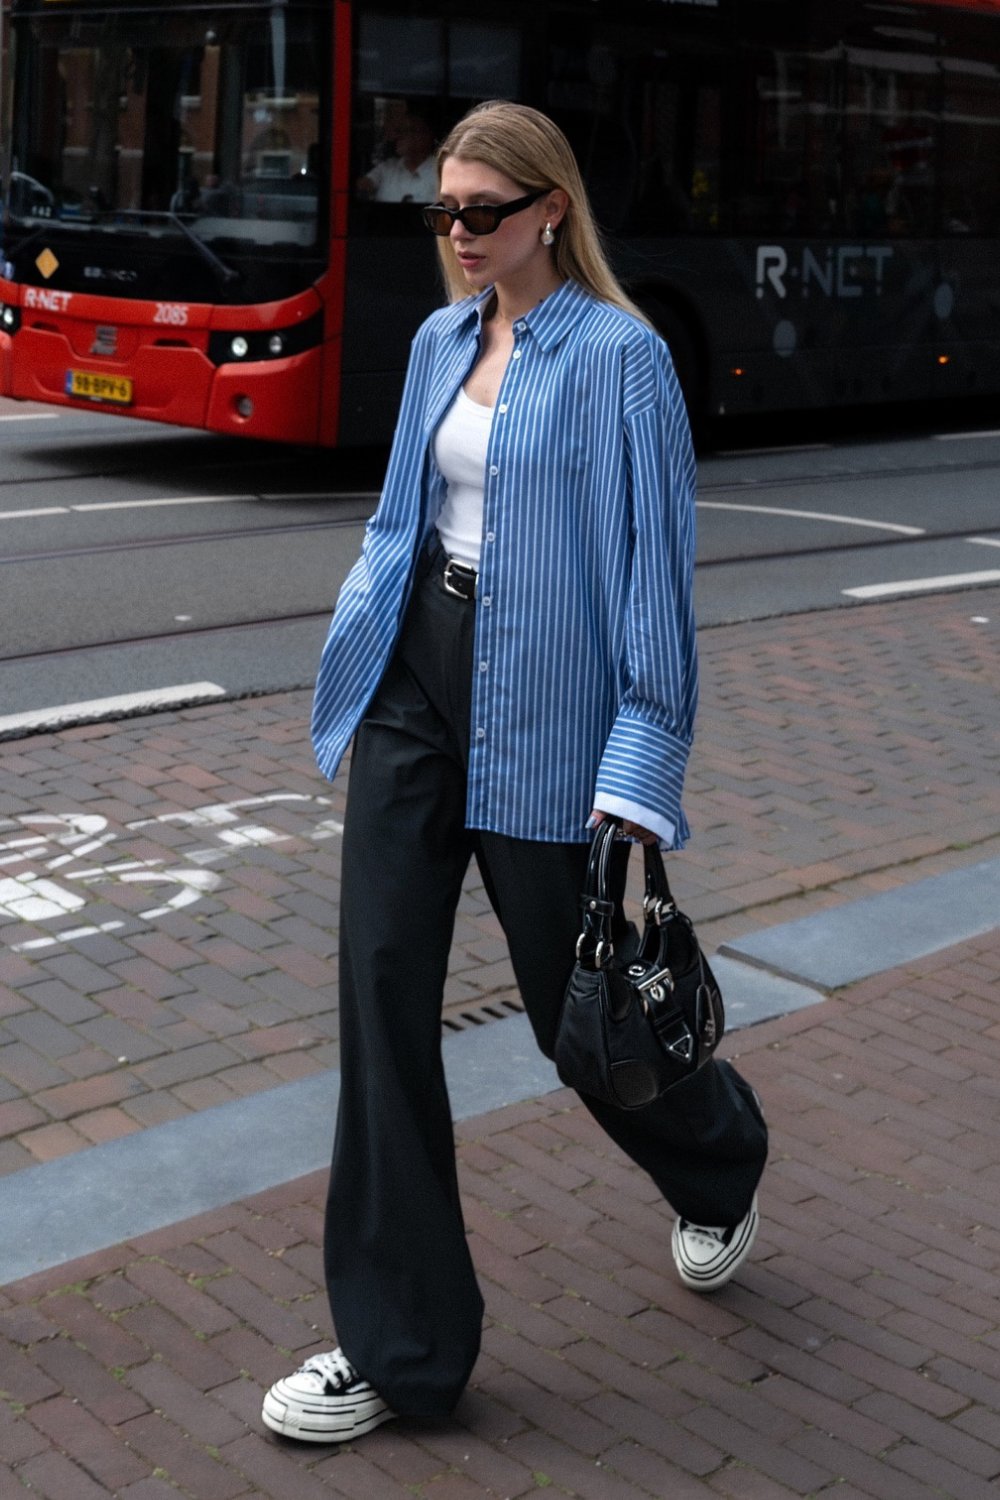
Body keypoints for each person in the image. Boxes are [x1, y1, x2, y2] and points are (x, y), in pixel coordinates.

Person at [262, 99, 767, 1444]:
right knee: (380, 996)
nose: (460, 235)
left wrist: (638, 771)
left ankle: (720, 1156)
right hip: (418, 689)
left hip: (551, 716)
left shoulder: (624, 360)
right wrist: (353, 653)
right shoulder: (437, 340)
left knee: (576, 1023)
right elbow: (396, 522)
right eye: (444, 213)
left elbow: (656, 583)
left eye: (483, 211)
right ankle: (402, 1347)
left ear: (551, 208)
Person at [356, 110, 437, 202]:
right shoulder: (387, 168)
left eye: (404, 131)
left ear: (424, 136)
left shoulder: (442, 172)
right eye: (398, 131)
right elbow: (361, 186)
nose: (397, 137)